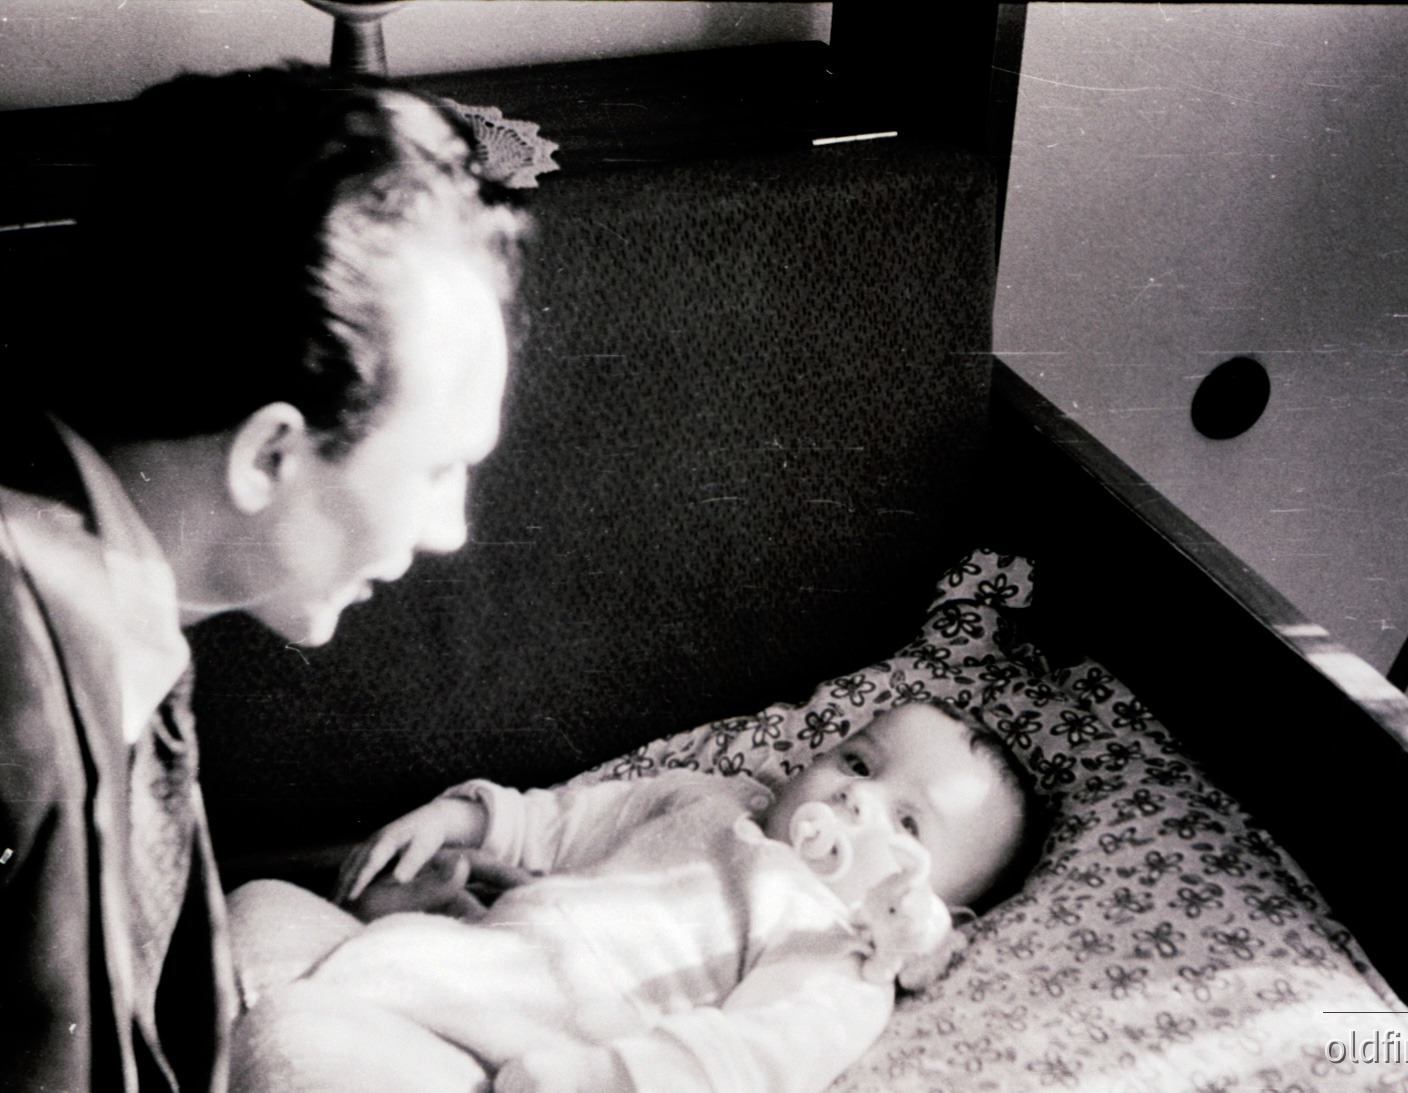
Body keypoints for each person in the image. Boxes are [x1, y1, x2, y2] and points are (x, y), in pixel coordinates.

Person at [0, 63, 530, 1093]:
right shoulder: (9, 672)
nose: (452, 531)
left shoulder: (107, 613)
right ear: (268, 455)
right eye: (434, 470)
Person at [227, 700, 1048, 1093]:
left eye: (906, 821)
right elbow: (563, 820)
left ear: (935, 909)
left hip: (517, 1054)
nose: (854, 802)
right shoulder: (711, 797)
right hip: (471, 960)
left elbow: (745, 1059)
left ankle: (263, 1036)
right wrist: (457, 817)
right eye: (858, 764)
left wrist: (583, 1081)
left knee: (292, 1033)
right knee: (260, 902)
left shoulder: (832, 948)